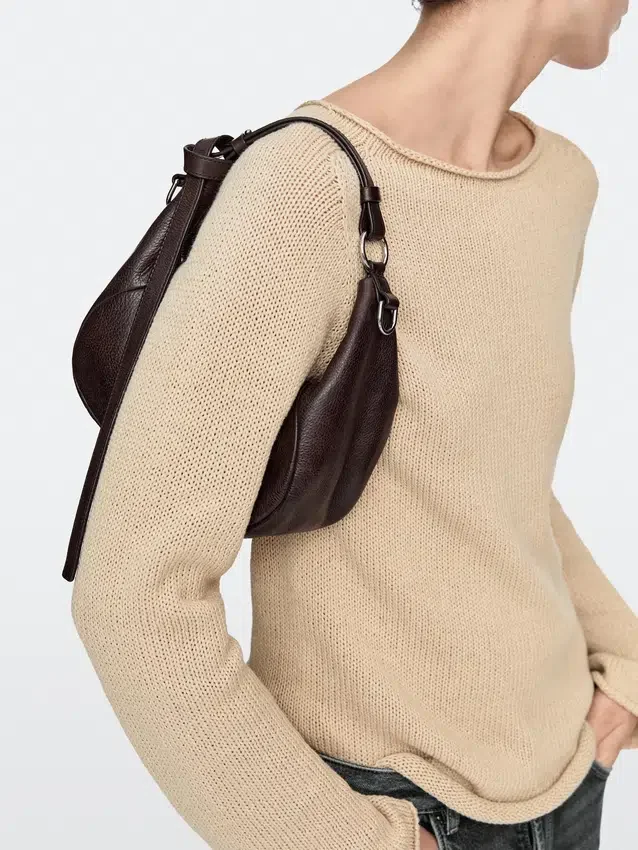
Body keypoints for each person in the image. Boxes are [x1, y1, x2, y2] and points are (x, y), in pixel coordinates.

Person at [70, 1, 638, 848]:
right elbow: (133, 594)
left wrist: (623, 666)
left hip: (566, 772)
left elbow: (493, 476)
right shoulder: (305, 187)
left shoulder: (560, 183)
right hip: (390, 809)